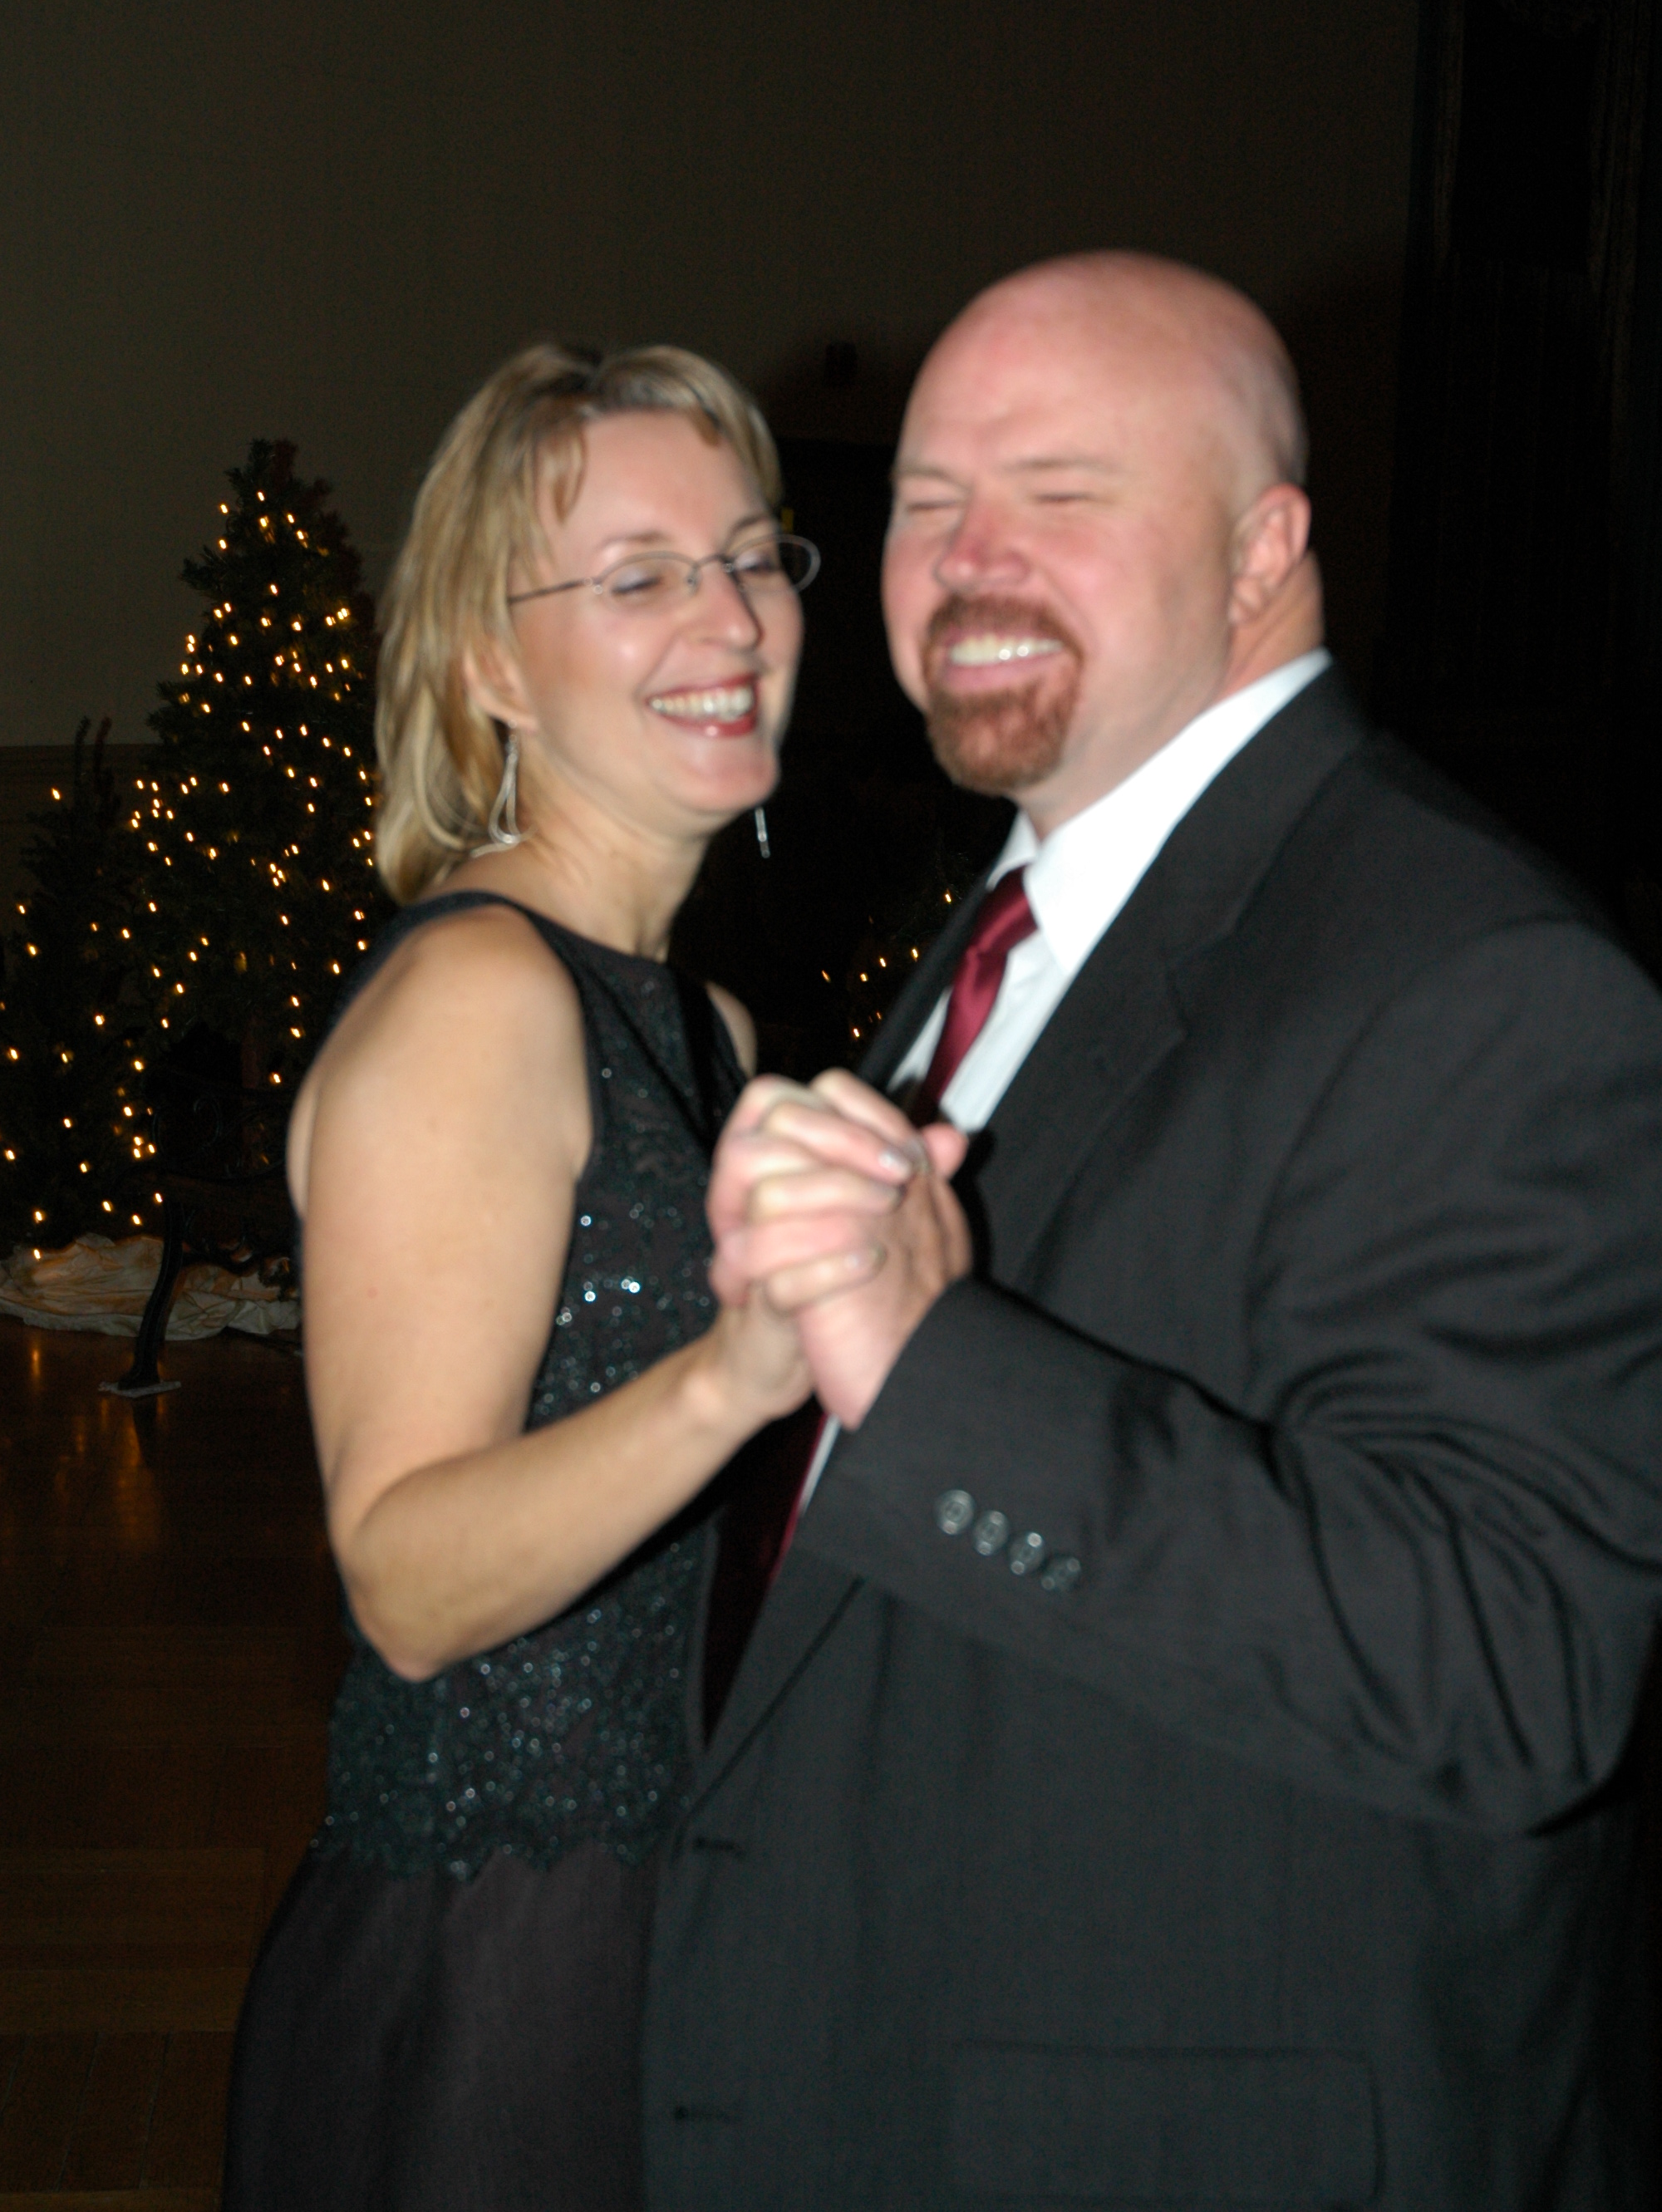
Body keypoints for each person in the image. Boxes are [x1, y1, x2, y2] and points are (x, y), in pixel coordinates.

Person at [644, 254, 1662, 2209]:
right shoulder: (1026, 915)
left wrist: (935, 1375)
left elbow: (1513, 1663)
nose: (967, 556)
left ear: (1265, 547)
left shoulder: (1482, 975)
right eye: (926, 500)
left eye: (1060, 490)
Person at [222, 340, 856, 2212]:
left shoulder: (707, 1028)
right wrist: (739, 1374)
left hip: (674, 1927)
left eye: (750, 555)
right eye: (640, 575)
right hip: (490, 1976)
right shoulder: (480, 1001)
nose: (729, 618)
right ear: (491, 665)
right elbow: (406, 1579)